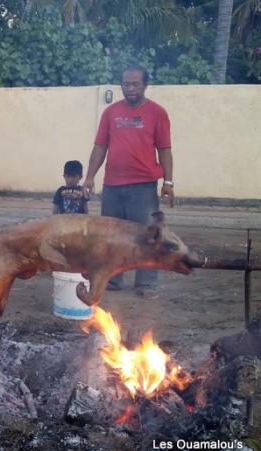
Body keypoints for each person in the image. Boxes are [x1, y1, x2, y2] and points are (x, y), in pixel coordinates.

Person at [82, 65, 175, 300]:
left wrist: (169, 181)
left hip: (144, 186)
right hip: (113, 185)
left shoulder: (157, 113)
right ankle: (112, 279)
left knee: (148, 235)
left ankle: (147, 284)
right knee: (111, 235)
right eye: (126, 84)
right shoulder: (111, 113)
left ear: (145, 85)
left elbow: (164, 149)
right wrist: (90, 177)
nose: (130, 88)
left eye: (135, 84)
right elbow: (100, 146)